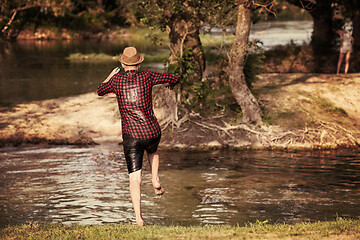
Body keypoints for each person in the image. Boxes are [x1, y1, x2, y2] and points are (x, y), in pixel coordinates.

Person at [97, 47, 180, 226]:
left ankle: (139, 219)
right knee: (153, 150)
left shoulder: (116, 80)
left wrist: (110, 77)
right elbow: (174, 77)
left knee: (135, 179)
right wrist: (171, 85)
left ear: (122, 63)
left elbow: (100, 90)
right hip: (152, 131)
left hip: (132, 135)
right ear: (139, 63)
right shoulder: (148, 76)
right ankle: (155, 179)